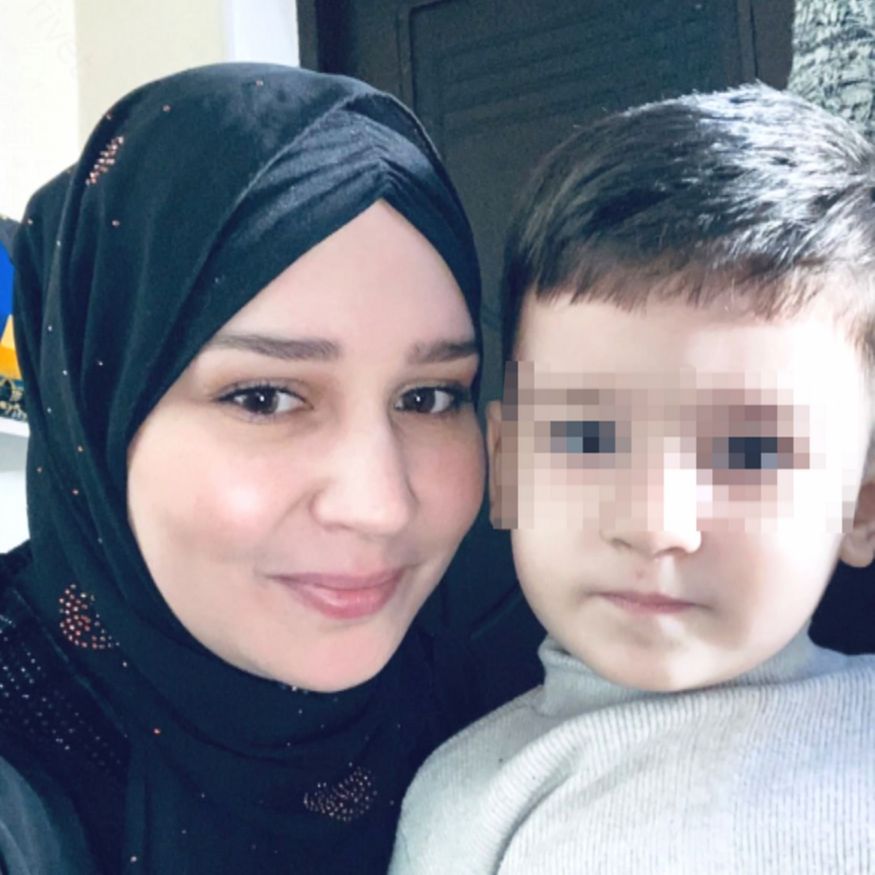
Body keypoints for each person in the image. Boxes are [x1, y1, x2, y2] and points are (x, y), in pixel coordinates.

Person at [0, 62, 492, 874]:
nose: (379, 504)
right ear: (93, 408)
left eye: (429, 397)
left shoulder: (460, 691)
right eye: (265, 397)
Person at [389, 84, 875, 874]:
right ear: (506, 470)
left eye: (750, 452)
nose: (654, 523)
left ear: (859, 506)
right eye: (587, 436)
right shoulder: (464, 799)